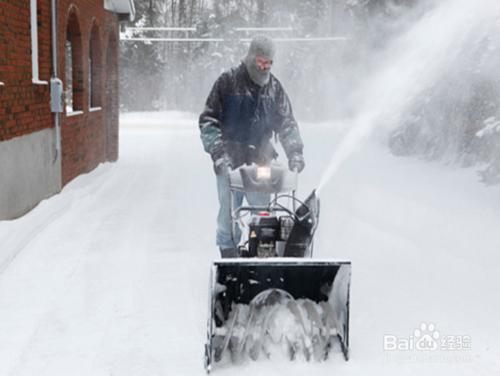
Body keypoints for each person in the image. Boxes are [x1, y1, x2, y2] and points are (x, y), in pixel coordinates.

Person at [199, 35, 305, 258]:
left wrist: (295, 152)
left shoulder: (274, 88)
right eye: (260, 61)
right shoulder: (227, 82)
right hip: (229, 160)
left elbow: (287, 123)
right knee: (228, 215)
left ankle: (263, 255)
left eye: (269, 63)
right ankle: (228, 259)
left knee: (263, 215)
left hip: (261, 161)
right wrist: (218, 152)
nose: (264, 67)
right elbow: (208, 120)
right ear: (250, 58)